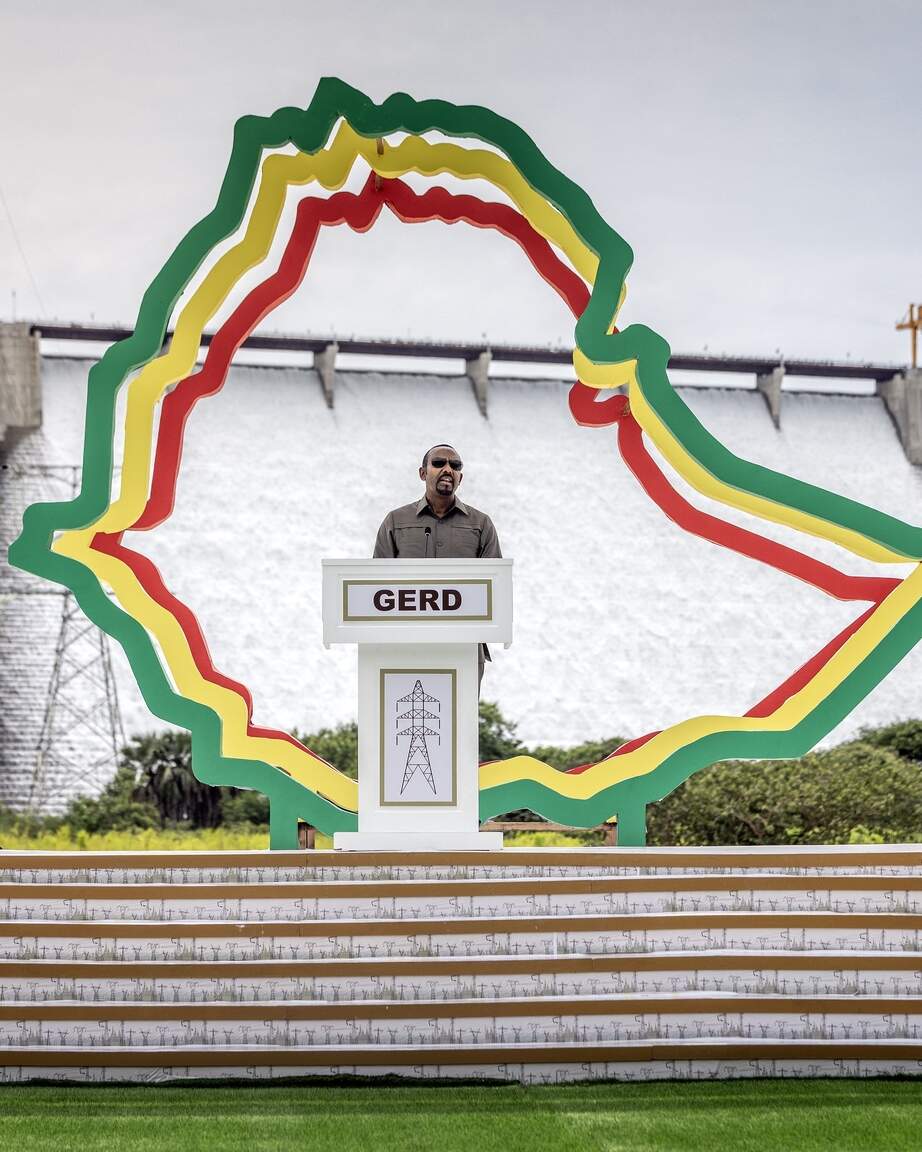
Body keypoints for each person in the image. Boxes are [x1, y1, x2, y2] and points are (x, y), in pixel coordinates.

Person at [373, 443, 502, 684]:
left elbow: (495, 586)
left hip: (464, 648)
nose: (447, 469)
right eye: (439, 463)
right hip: (406, 647)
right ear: (422, 473)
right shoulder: (395, 521)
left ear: (460, 477)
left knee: (460, 720)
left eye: (455, 466)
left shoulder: (481, 524)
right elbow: (377, 585)